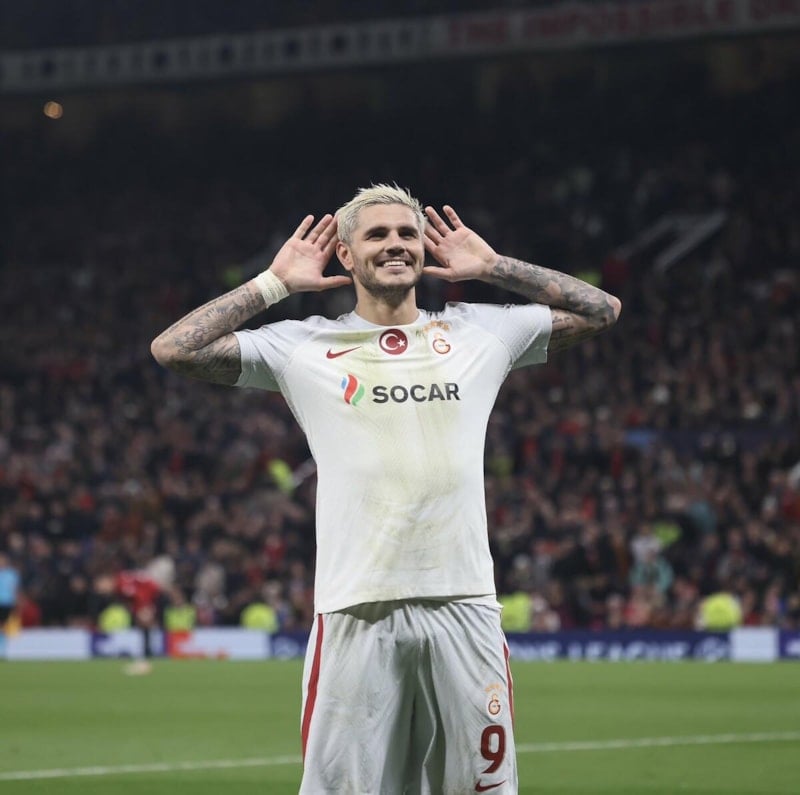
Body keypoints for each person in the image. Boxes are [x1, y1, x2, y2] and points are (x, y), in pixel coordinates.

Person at [151, 184, 621, 793]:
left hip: (465, 605)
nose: (396, 244)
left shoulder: (480, 331)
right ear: (345, 255)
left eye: (407, 233)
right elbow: (174, 349)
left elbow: (603, 310)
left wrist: (494, 267)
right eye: (377, 234)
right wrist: (274, 285)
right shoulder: (303, 345)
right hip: (356, 609)